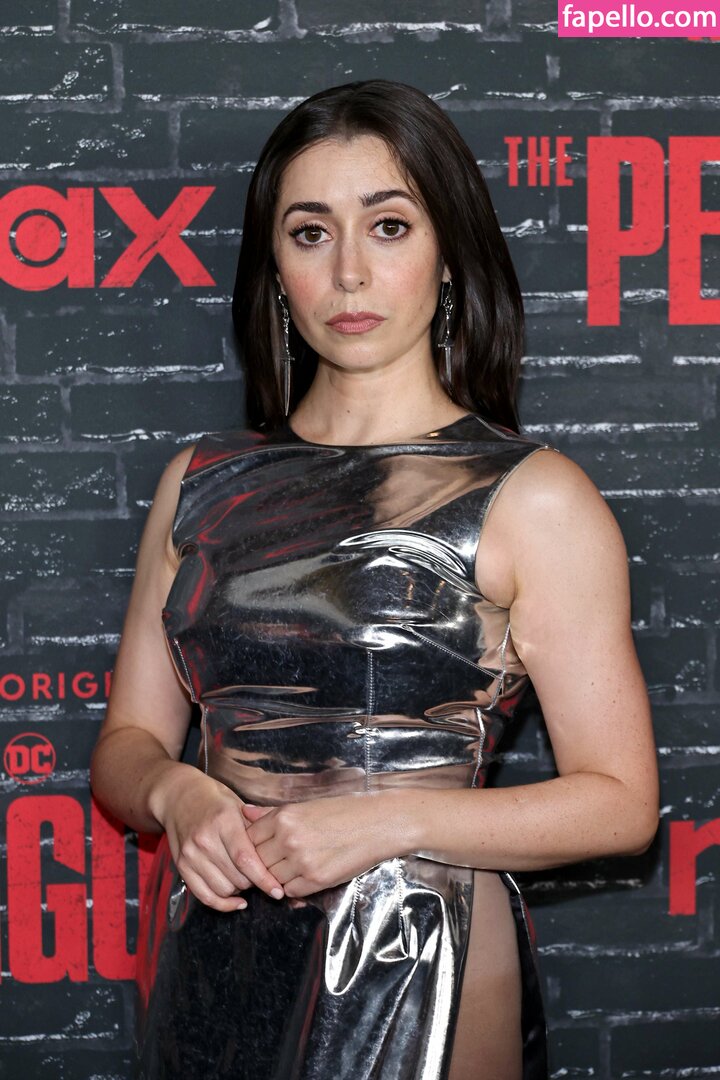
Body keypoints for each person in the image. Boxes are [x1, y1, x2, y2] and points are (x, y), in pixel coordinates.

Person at [90, 79, 659, 1080]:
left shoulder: (532, 498)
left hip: (419, 951)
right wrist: (177, 795)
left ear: (448, 255)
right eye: (310, 234)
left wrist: (387, 821)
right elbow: (126, 746)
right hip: (214, 950)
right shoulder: (197, 484)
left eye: (388, 226)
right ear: (275, 269)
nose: (349, 271)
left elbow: (619, 805)